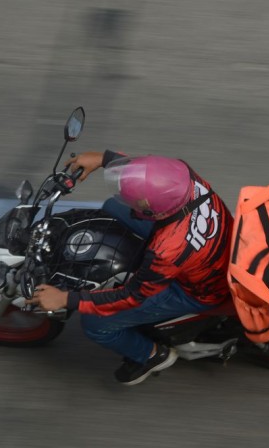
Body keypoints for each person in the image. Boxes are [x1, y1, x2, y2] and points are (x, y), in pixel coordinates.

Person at [26, 150, 233, 385]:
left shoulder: (165, 250)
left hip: (200, 291)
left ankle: (151, 355)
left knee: (94, 324)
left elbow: (131, 296)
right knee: (113, 206)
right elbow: (150, 172)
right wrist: (104, 159)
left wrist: (67, 299)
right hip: (212, 246)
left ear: (155, 211)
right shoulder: (185, 177)